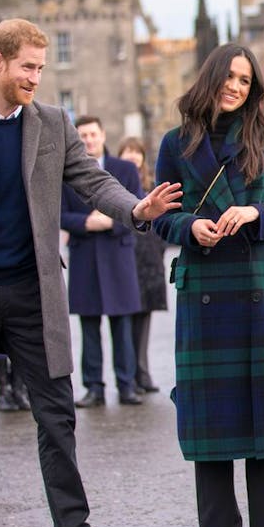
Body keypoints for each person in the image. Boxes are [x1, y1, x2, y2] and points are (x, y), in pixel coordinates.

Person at [0, 18, 181, 527]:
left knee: (57, 416)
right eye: (28, 67)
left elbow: (93, 181)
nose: (36, 78)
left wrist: (136, 208)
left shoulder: (54, 123)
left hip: (34, 293)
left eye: (41, 68)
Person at [153, 42, 264, 527]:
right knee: (211, 439)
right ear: (211, 77)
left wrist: (255, 212)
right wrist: (189, 227)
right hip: (205, 291)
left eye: (245, 80)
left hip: (262, 292)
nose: (236, 87)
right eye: (230, 77)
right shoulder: (175, 144)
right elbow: (161, 216)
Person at [62, 115, 144, 408]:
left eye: (92, 134)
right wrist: (85, 222)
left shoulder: (125, 169)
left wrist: (112, 221)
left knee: (122, 326)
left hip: (117, 255)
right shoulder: (66, 172)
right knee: (89, 327)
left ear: (103, 134)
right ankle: (94, 387)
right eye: (82, 136)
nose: (88, 140)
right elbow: (59, 214)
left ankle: (127, 385)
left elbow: (139, 207)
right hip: (85, 256)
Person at [118, 136, 166, 394]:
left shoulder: (151, 184)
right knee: (126, 318)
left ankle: (142, 371)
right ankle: (129, 374)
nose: (133, 156)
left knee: (144, 316)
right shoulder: (116, 182)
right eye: (128, 151)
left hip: (149, 257)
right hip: (126, 255)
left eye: (136, 152)